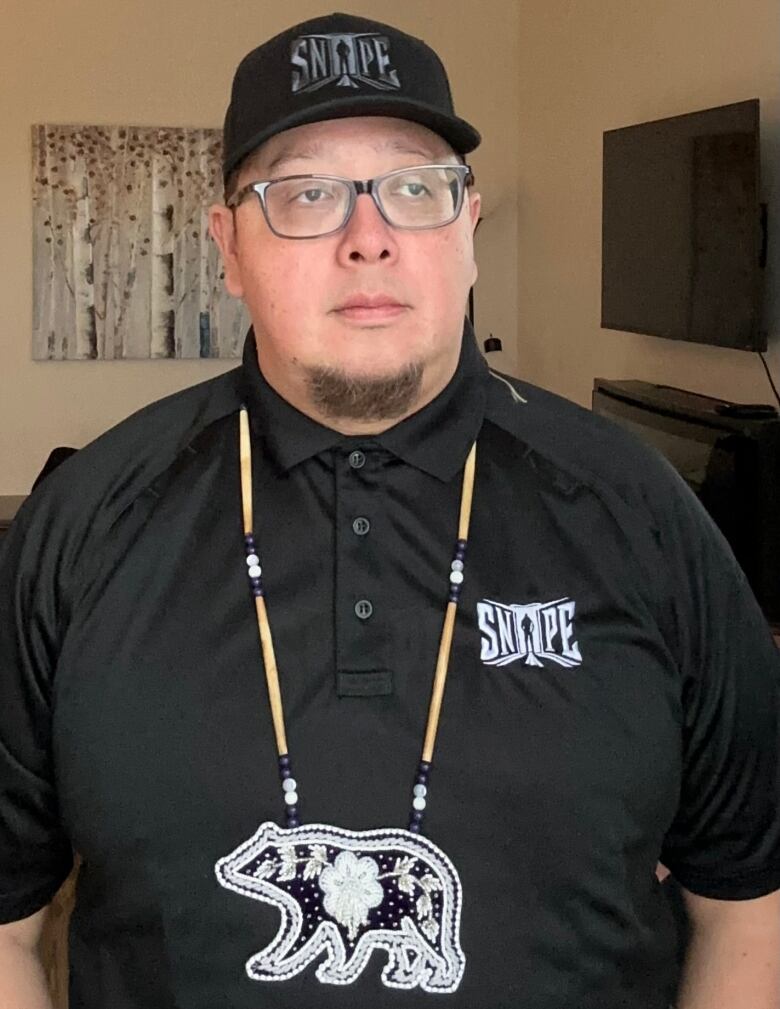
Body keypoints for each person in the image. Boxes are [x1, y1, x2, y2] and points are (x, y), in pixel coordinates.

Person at [1, 12, 779, 1009]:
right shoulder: (82, 525)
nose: (368, 238)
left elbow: (746, 904)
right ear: (227, 248)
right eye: (306, 193)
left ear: (468, 232)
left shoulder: (645, 514)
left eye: (415, 188)